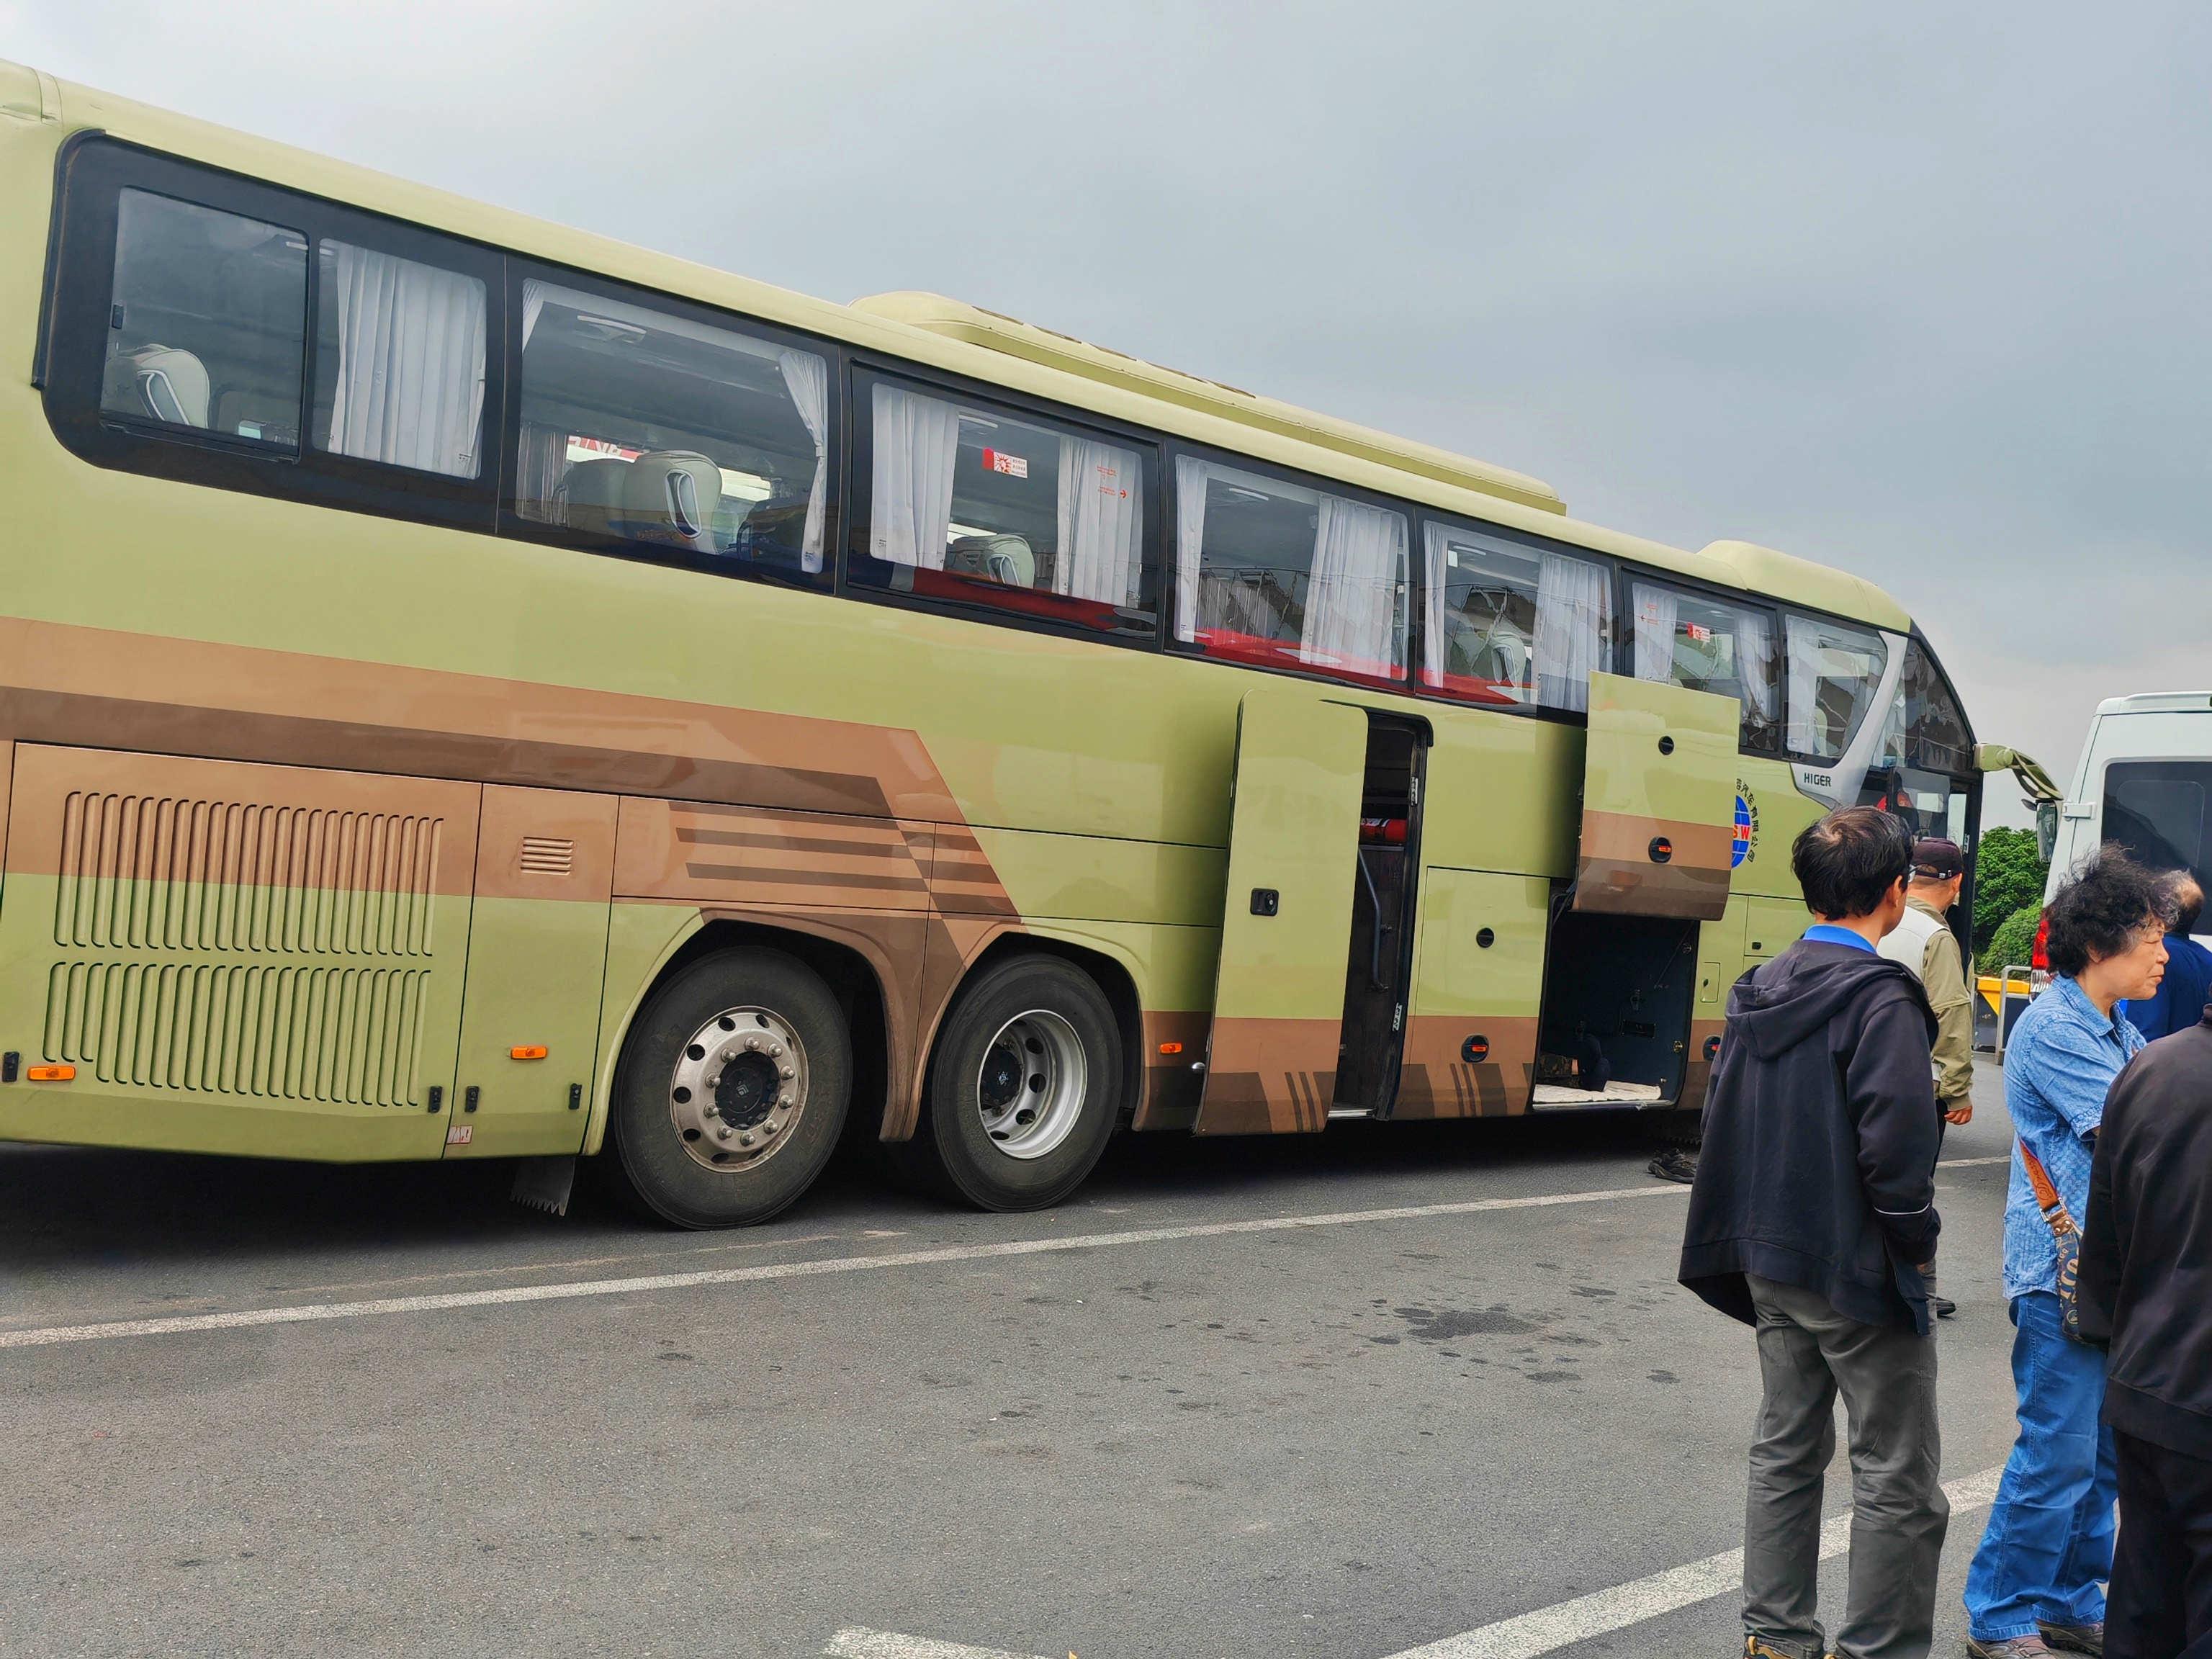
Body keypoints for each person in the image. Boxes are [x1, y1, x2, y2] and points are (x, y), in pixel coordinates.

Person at [1680, 805, 1946, 1659]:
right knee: (1896, 1475)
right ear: (1896, 892)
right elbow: (1898, 1147)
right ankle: (1881, 1648)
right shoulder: (1881, 999)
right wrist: (1917, 1243)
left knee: (1787, 1449)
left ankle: (1777, 1638)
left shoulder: (1760, 986)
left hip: (1770, 1256)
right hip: (1855, 1264)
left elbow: (1727, 1118)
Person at [1963, 848, 2173, 1659]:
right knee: (2056, 1455)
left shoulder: (2119, 1025)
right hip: (2063, 1274)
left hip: (2111, 1273)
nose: (2164, 953)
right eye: (2150, 937)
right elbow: (2133, 1137)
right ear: (2098, 947)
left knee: (2105, 1459)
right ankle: (2002, 1615)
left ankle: (2069, 1599)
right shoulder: (2053, 1028)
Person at [2080, 990, 2212, 1657]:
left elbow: (2104, 1229)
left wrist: (2112, 1337)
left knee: (2143, 1601)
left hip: (2145, 1379)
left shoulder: (2150, 1065)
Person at [1876, 835, 1977, 1317]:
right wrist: (1956, 1090)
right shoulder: (1935, 936)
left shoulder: (1875, 915)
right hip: (1918, 1084)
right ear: (1955, 882)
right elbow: (1951, 1015)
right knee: (1913, 1188)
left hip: (1863, 1074)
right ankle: (1913, 1286)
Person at [2116, 871, 2212, 1043]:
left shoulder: (2153, 956)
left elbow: (2144, 1033)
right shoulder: (2207, 958)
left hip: (2161, 1065)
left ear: (2157, 909)